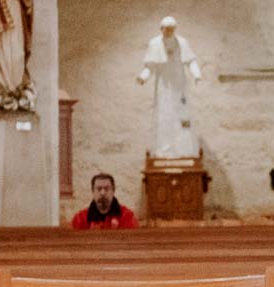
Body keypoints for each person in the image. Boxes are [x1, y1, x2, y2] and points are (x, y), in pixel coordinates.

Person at [137, 15, 203, 157]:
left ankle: (185, 149)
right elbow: (150, 66)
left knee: (183, 116)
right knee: (164, 116)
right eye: (167, 29)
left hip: (180, 85)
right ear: (161, 29)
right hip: (164, 86)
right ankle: (164, 149)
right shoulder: (155, 44)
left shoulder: (182, 43)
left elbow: (190, 61)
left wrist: (196, 74)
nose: (169, 32)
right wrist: (143, 77)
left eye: (172, 29)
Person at [71, 172, 139, 230]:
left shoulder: (127, 217)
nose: (103, 193)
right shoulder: (80, 219)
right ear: (93, 191)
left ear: (113, 191)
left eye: (106, 189)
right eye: (99, 189)